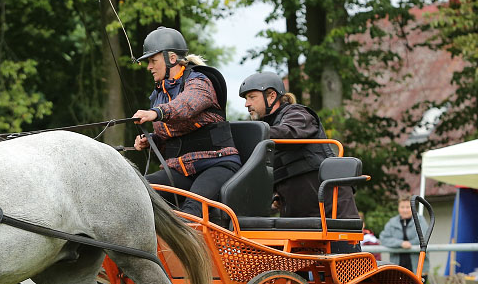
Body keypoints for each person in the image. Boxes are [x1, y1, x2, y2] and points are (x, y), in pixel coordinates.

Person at [132, 27, 239, 221]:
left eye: (153, 60)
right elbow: (174, 135)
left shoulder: (200, 81)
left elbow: (187, 105)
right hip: (181, 170)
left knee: (191, 210)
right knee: (137, 191)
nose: (149, 66)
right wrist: (152, 140)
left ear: (171, 58)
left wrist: (157, 113)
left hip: (216, 163)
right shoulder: (158, 95)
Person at [238, 71, 359, 220]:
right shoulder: (266, 129)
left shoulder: (298, 114)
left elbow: (289, 132)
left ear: (271, 96)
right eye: (246, 99)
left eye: (252, 97)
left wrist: (250, 134)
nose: (246, 104)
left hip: (332, 211)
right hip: (300, 214)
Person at [380, 196, 430, 282]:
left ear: (413, 208)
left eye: (408, 207)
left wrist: (410, 244)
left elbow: (424, 237)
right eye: (402, 207)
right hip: (397, 268)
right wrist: (400, 243)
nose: (405, 210)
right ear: (398, 208)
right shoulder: (392, 222)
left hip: (417, 267)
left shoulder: (420, 220)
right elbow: (383, 238)